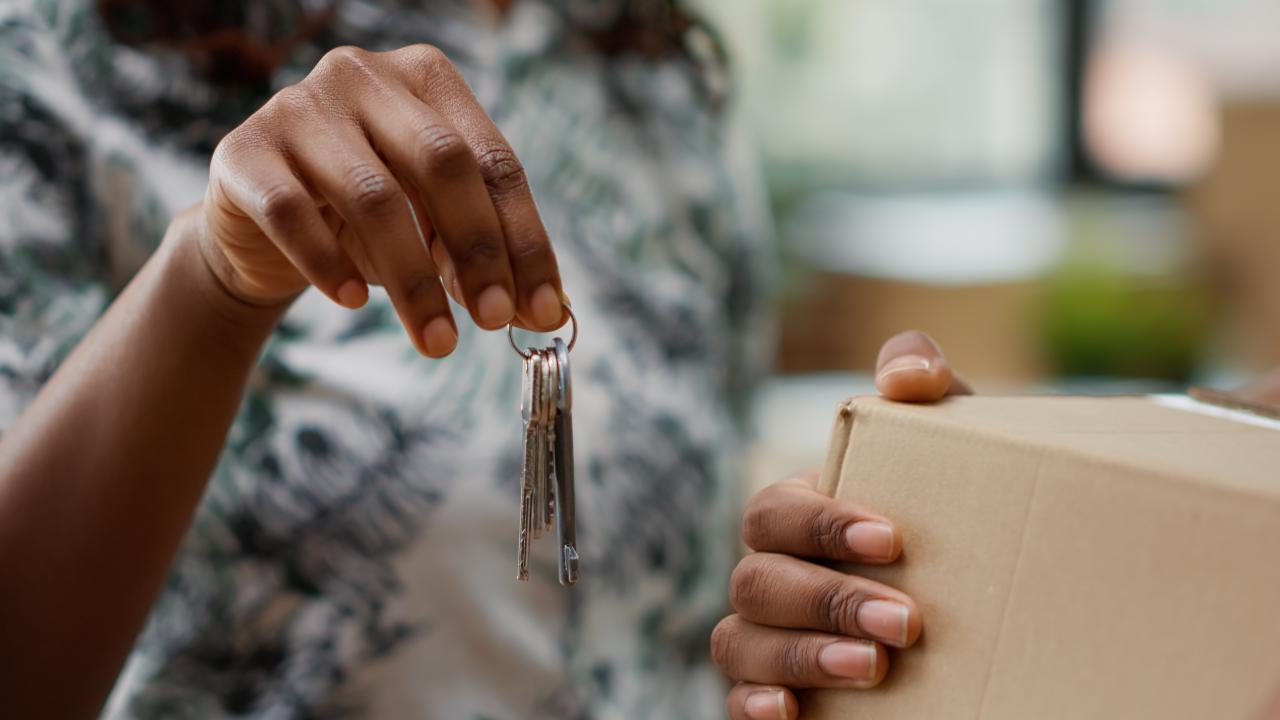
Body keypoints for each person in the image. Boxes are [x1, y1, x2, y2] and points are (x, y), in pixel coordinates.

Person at [0, 1, 948, 718]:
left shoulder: (657, 71)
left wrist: (884, 545)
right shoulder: (51, 62)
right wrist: (210, 284)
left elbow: (691, 604)